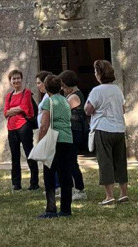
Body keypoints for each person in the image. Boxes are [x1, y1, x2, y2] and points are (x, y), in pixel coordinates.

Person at [85, 60, 129, 205]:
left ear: (99, 74)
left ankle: (109, 195)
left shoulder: (97, 91)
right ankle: (123, 193)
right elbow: (123, 109)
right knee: (120, 161)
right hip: (118, 128)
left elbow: (88, 110)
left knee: (105, 162)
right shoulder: (117, 89)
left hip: (103, 128)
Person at [37, 75, 77, 219]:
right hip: (67, 139)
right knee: (65, 175)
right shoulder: (66, 101)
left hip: (54, 140)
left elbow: (44, 125)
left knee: (49, 175)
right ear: (60, 87)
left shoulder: (49, 102)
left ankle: (51, 209)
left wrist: (40, 142)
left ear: (46, 88)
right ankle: (66, 209)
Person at [4, 69, 39, 191]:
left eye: (18, 78)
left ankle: (34, 183)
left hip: (24, 126)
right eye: (13, 78)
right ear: (10, 81)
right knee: (15, 156)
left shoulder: (27, 93)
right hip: (11, 128)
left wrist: (12, 110)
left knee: (29, 153)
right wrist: (16, 109)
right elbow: (5, 112)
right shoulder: (8, 96)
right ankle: (16, 184)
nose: (16, 80)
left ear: (21, 79)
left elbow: (24, 108)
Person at [58, 70, 87, 200]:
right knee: (67, 160)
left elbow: (63, 112)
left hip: (74, 131)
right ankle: (69, 187)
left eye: (64, 86)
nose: (63, 89)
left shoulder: (74, 96)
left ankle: (80, 189)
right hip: (71, 131)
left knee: (71, 161)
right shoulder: (72, 95)